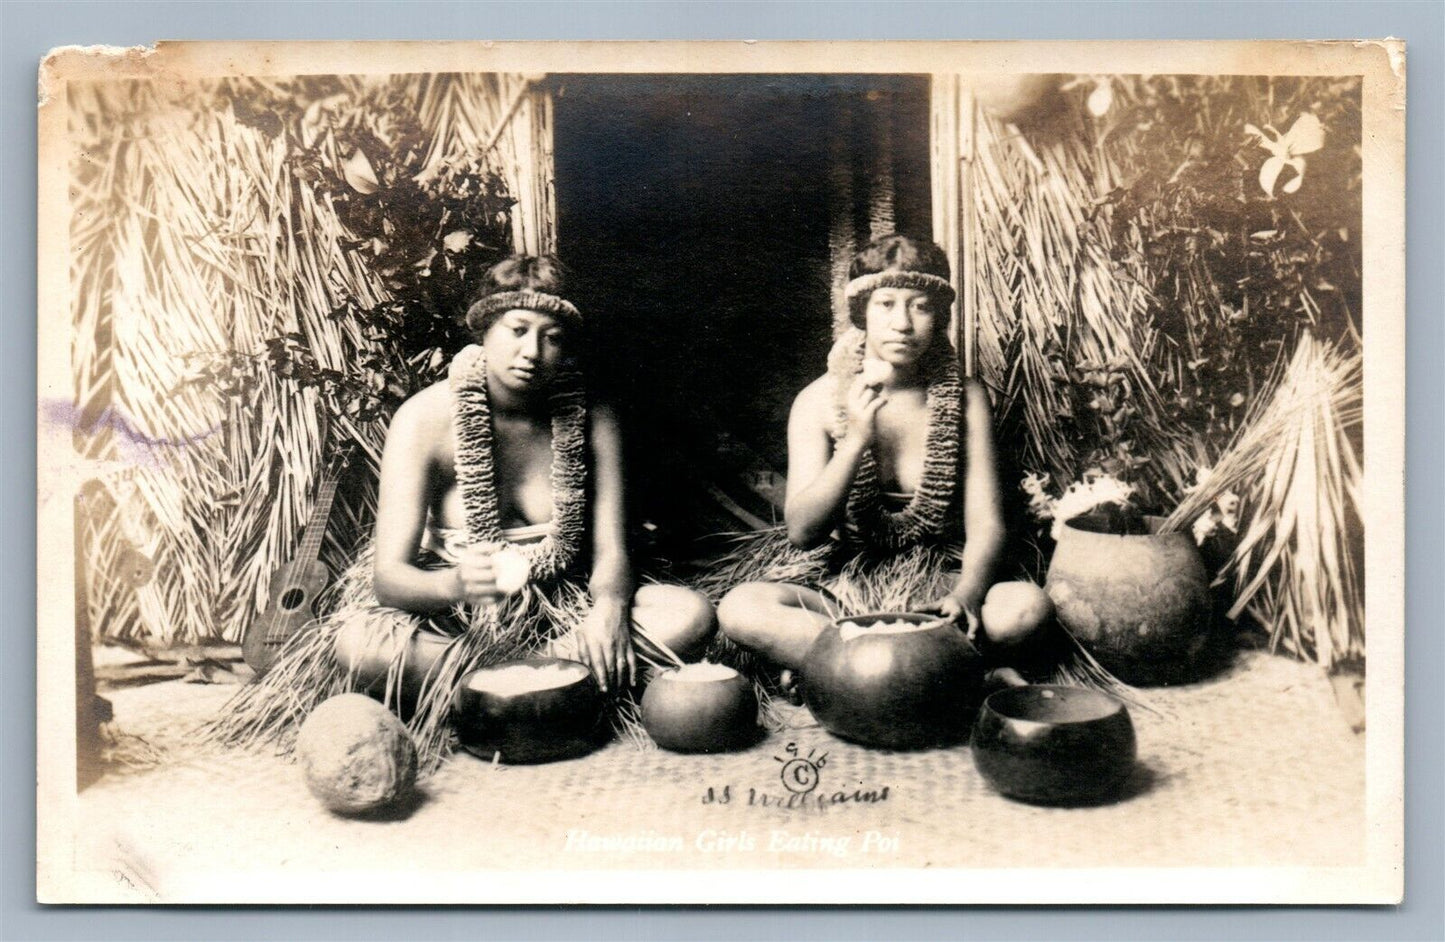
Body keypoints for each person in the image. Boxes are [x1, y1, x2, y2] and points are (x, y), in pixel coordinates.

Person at [213, 255, 716, 766]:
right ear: (484, 330)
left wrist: (607, 610)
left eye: (553, 337)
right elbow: (390, 577)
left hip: (563, 606)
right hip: (456, 616)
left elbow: (612, 547)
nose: (532, 352)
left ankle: (501, 684)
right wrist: (455, 585)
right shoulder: (425, 418)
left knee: (691, 615)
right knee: (359, 643)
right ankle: (551, 687)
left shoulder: (594, 414)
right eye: (517, 329)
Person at [714, 234, 1030, 682]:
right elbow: (803, 532)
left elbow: (986, 523)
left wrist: (968, 594)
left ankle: (846, 672)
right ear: (861, 312)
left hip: (939, 581)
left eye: (920, 306)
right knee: (742, 609)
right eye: (886, 304)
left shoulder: (967, 397)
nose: (902, 323)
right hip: (847, 586)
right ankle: (944, 670)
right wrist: (856, 440)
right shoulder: (818, 400)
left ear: (938, 316)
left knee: (1027, 609)